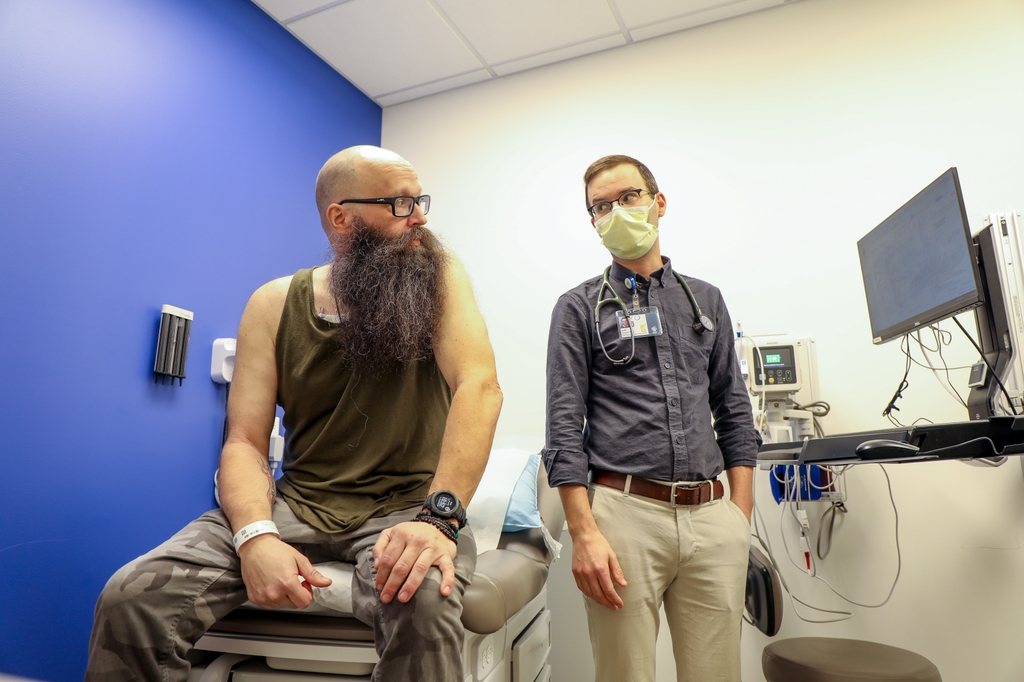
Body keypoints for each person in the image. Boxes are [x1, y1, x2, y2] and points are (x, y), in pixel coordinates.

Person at [86, 146, 503, 682]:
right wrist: (257, 537)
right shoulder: (274, 303)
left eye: (419, 200)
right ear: (342, 217)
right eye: (400, 204)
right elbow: (244, 441)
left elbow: (480, 386)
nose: (419, 216)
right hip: (298, 502)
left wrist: (441, 518)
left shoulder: (437, 276)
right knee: (129, 597)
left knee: (422, 598)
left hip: (405, 506)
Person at [542, 154, 760, 682]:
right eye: (600, 206)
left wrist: (740, 515)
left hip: (713, 517)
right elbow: (564, 428)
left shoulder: (705, 301)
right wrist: (584, 532)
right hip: (624, 516)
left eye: (627, 197)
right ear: (592, 222)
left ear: (658, 204)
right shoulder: (578, 308)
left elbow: (733, 407)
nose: (615, 211)